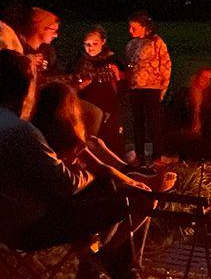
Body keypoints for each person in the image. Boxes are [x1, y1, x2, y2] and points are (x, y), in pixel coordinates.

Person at [0, 51, 151, 279]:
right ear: (28, 87)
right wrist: (93, 172)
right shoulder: (19, 131)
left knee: (106, 193)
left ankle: (99, 264)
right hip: (27, 228)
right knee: (135, 199)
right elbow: (67, 185)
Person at [31, 82, 176, 191]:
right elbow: (101, 169)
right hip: (72, 189)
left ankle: (130, 171)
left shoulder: (35, 129)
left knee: (95, 143)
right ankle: (131, 175)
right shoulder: (66, 137)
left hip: (62, 186)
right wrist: (132, 182)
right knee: (142, 195)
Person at [71, 26, 126, 159]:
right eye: (87, 45)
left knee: (110, 136)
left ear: (103, 42)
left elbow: (124, 84)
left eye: (95, 44)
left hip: (109, 105)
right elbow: (71, 83)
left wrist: (119, 77)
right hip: (87, 104)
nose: (91, 48)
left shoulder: (113, 60)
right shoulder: (79, 61)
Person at [125, 11, 171, 161]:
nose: (130, 31)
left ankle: (157, 155)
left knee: (153, 122)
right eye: (130, 28)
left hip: (152, 87)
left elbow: (165, 65)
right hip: (135, 88)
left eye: (134, 28)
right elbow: (128, 65)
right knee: (137, 121)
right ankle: (139, 155)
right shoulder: (132, 44)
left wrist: (163, 87)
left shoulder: (156, 42)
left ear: (144, 27)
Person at [164, 66, 211, 160]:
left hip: (202, 136)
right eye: (204, 78)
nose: (207, 82)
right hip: (183, 133)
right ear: (196, 77)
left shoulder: (210, 98)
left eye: (209, 79)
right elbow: (173, 116)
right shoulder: (183, 95)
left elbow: (210, 121)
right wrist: (184, 130)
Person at [17, 7, 62, 80]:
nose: (56, 35)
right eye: (54, 30)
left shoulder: (49, 52)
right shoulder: (18, 49)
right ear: (40, 27)